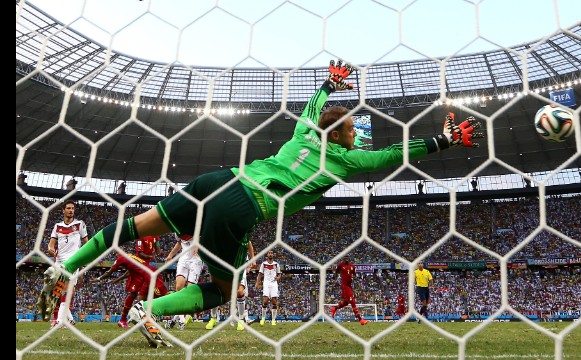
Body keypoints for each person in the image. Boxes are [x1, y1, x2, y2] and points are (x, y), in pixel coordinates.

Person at [37, 59, 483, 347]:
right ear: (344, 136)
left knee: (134, 226)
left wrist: (329, 83)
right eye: (352, 130)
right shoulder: (344, 163)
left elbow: (311, 107)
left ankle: (66, 267)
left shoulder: (304, 132)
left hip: (219, 177)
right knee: (224, 292)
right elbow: (393, 154)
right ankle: (149, 311)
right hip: (241, 205)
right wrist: (442, 140)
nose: (356, 135)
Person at [91, 252, 169, 338]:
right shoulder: (130, 256)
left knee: (160, 296)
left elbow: (110, 272)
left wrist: (98, 278)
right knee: (139, 296)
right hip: (149, 274)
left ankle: (143, 318)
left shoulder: (121, 259)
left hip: (150, 276)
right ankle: (133, 319)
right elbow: (130, 272)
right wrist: (117, 280)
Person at [38, 199, 89, 328]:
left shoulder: (80, 225)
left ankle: (59, 321)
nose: (71, 210)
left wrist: (83, 262)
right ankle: (68, 318)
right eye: (69, 208)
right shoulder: (57, 226)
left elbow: (86, 244)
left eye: (73, 208)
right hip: (60, 261)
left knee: (66, 288)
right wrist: (50, 249)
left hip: (74, 260)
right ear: (63, 210)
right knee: (58, 291)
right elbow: (51, 245)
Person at [210, 240, 256, 330]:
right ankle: (213, 318)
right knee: (217, 290)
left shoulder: (241, 231)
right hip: (227, 265)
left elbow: (249, 243)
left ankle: (242, 319)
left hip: (241, 264)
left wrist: (252, 258)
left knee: (240, 292)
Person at [164, 233, 204, 330]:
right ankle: (181, 319)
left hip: (196, 260)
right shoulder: (178, 230)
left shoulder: (198, 225)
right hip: (184, 259)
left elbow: (206, 239)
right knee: (179, 287)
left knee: (189, 291)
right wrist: (170, 255)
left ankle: (176, 319)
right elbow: (179, 243)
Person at [329, 255, 368, 325]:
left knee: (346, 302)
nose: (346, 259)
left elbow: (354, 275)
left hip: (349, 286)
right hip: (344, 286)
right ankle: (360, 319)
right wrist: (335, 279)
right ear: (343, 258)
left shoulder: (352, 266)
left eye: (347, 258)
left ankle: (334, 308)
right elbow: (336, 272)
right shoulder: (340, 265)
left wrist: (357, 280)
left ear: (349, 259)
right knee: (352, 301)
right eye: (345, 258)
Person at [255, 250, 281, 326]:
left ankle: (273, 320)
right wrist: (257, 283)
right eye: (269, 253)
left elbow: (279, 274)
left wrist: (278, 277)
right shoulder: (263, 264)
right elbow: (260, 274)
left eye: (271, 253)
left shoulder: (276, 264)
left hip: (273, 284)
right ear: (267, 255)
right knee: (265, 301)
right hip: (266, 283)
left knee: (274, 301)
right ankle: (263, 318)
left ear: (273, 255)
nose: (270, 254)